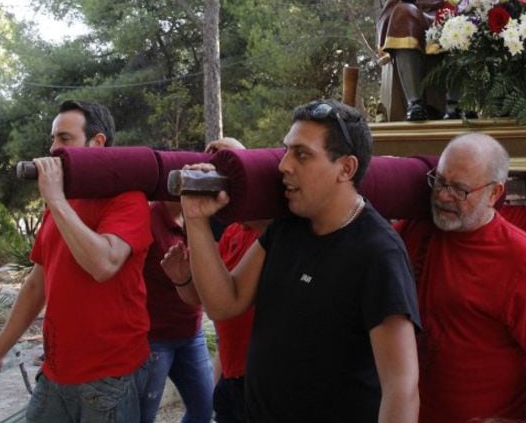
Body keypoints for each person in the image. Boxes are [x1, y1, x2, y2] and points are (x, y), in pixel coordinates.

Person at [179, 99, 420, 422]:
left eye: (302, 154)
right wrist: (195, 220)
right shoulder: (287, 225)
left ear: (346, 168)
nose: (284, 166)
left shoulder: (378, 252)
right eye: (286, 151)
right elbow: (225, 302)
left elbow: (401, 386)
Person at [0, 100, 152, 422]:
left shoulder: (128, 198)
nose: (53, 149)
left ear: (97, 143)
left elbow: (104, 264)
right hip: (56, 371)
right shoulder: (61, 203)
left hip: (109, 375)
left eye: (64, 138)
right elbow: (35, 286)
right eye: (53, 139)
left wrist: (55, 200)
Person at [399, 133, 526, 423]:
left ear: (494, 193)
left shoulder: (522, 261)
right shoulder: (413, 230)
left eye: (459, 190)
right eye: (439, 181)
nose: (442, 196)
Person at [162, 136, 264, 423]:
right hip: (232, 375)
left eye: (226, 162)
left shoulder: (268, 232)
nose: (214, 171)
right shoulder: (232, 232)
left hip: (262, 380)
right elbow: (211, 298)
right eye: (210, 161)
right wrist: (183, 280)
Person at [140, 198, 213, 423]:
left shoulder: (199, 217)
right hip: (155, 338)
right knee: (143, 415)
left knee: (205, 407)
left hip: (192, 332)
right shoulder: (149, 219)